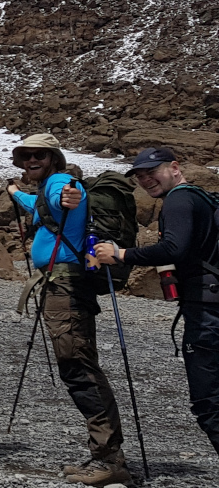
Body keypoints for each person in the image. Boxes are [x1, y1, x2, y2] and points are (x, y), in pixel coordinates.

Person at [7, 133, 129, 486]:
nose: (31, 160)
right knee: (77, 365)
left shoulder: (59, 182)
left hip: (64, 290)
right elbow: (42, 206)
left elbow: (64, 197)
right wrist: (16, 194)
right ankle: (105, 455)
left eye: (39, 155)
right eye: (26, 155)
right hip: (61, 287)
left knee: (78, 367)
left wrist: (67, 196)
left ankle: (109, 459)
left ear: (54, 158)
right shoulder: (44, 188)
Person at [93, 147, 219, 456]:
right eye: (140, 176)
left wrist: (120, 255)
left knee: (209, 404)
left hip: (207, 312)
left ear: (175, 167)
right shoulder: (204, 198)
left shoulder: (178, 199)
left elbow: (173, 249)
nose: (147, 180)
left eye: (153, 172)